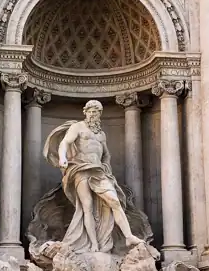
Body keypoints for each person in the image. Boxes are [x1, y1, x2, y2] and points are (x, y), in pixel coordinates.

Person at [44, 100, 142, 254]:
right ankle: (93, 244)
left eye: (95, 111)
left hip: (99, 172)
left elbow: (106, 154)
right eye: (89, 111)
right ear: (85, 112)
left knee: (114, 201)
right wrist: (62, 157)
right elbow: (65, 143)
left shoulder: (101, 134)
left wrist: (107, 169)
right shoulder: (77, 127)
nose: (92, 114)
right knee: (87, 208)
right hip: (81, 170)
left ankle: (128, 236)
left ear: (99, 114)